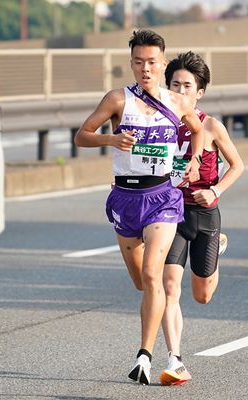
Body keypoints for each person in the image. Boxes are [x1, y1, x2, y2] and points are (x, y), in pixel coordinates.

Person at [74, 30, 205, 386]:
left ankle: (145, 356)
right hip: (125, 198)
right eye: (138, 62)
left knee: (152, 275)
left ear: (163, 64)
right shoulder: (118, 99)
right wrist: (111, 139)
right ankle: (153, 342)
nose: (145, 69)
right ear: (131, 64)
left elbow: (198, 130)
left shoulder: (177, 101)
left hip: (162, 197)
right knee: (141, 282)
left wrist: (193, 160)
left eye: (151, 62)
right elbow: (81, 136)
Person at [159, 51, 244, 386]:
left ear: (200, 92)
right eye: (175, 85)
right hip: (169, 214)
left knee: (202, 295)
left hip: (204, 214)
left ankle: (216, 249)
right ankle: (175, 360)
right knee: (168, 287)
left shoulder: (210, 126)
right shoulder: (159, 123)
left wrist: (215, 190)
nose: (180, 91)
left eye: (187, 86)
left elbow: (237, 165)